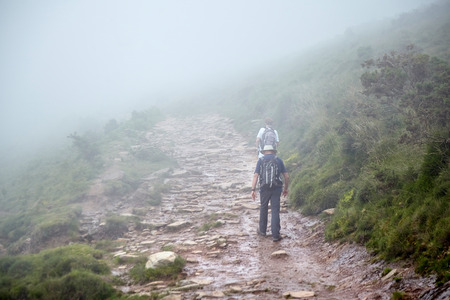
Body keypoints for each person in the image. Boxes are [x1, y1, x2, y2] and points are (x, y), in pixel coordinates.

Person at [251, 145, 289, 242]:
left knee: (263, 208)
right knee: (275, 210)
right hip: (276, 188)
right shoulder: (278, 160)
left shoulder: (261, 160)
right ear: (273, 151)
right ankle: (276, 235)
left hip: (264, 189)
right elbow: (286, 176)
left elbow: (256, 175)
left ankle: (262, 231)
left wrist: (253, 189)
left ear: (264, 151)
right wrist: (285, 188)